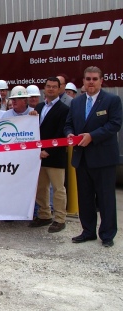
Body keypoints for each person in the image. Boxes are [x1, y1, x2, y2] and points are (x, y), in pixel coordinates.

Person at [64, 66, 122, 247]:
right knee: (85, 198)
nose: (91, 82)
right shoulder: (77, 102)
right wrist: (69, 134)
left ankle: (107, 234)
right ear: (83, 81)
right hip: (82, 158)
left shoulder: (112, 100)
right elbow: (69, 124)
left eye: (94, 79)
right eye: (88, 78)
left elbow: (114, 124)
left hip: (103, 158)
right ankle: (88, 231)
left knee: (105, 199)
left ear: (101, 80)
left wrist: (92, 136)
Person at [29, 77, 69, 233]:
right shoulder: (38, 107)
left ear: (59, 89)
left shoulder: (64, 109)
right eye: (48, 86)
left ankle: (60, 218)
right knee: (41, 187)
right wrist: (31, 117)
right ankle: (44, 215)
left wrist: (49, 151)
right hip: (39, 155)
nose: (51, 89)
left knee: (58, 189)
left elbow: (61, 133)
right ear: (44, 89)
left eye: (54, 87)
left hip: (55, 156)